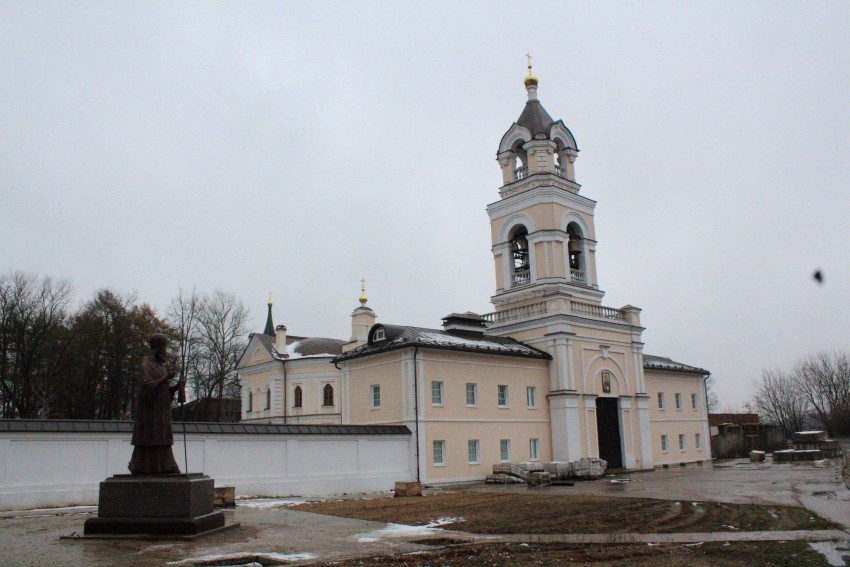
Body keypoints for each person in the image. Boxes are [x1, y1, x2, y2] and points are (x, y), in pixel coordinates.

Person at [128, 333, 186, 474]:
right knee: (150, 440)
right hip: (149, 415)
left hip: (161, 412)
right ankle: (142, 466)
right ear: (157, 350)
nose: (165, 353)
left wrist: (176, 387)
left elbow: (163, 391)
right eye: (164, 350)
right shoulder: (146, 365)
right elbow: (147, 387)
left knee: (163, 439)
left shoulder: (161, 367)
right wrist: (166, 377)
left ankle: (166, 465)